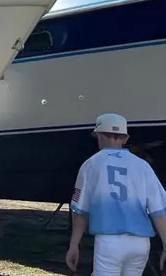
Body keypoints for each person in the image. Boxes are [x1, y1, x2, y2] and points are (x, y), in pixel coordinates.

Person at [66, 113, 166, 275]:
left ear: (99, 135)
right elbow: (159, 212)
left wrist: (74, 245)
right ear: (125, 139)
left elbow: (80, 210)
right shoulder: (143, 166)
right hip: (141, 243)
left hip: (109, 242)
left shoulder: (90, 165)